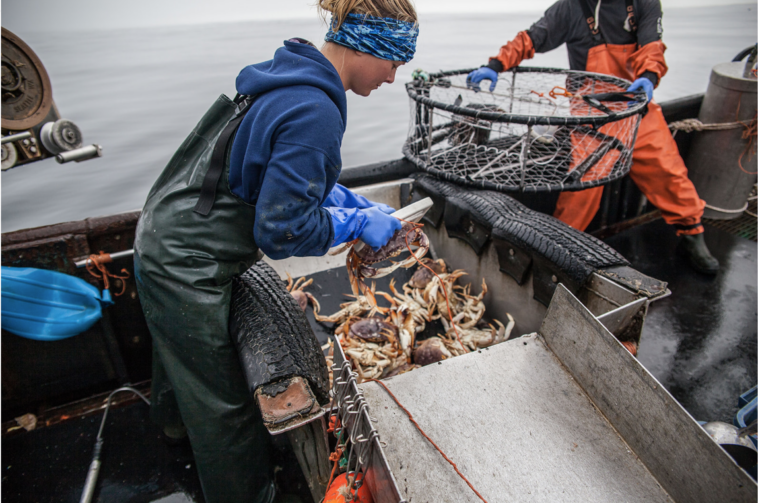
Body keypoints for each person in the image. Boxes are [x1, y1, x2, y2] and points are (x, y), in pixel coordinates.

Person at [133, 1, 418, 501]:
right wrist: (353, 222)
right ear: (368, 45)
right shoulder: (317, 110)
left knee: (178, 352)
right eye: (395, 61)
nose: (393, 77)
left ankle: (170, 431)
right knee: (221, 406)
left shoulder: (290, 79)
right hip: (188, 260)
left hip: (167, 228)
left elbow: (271, 170)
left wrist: (343, 197)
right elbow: (282, 231)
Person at [466, 0, 719, 274]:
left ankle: (692, 235)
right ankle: (557, 252)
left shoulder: (643, 3)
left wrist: (648, 75)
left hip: (636, 105)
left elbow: (652, 46)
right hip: (591, 113)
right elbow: (530, 38)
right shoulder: (569, 8)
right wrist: (495, 64)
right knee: (583, 188)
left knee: (668, 171)